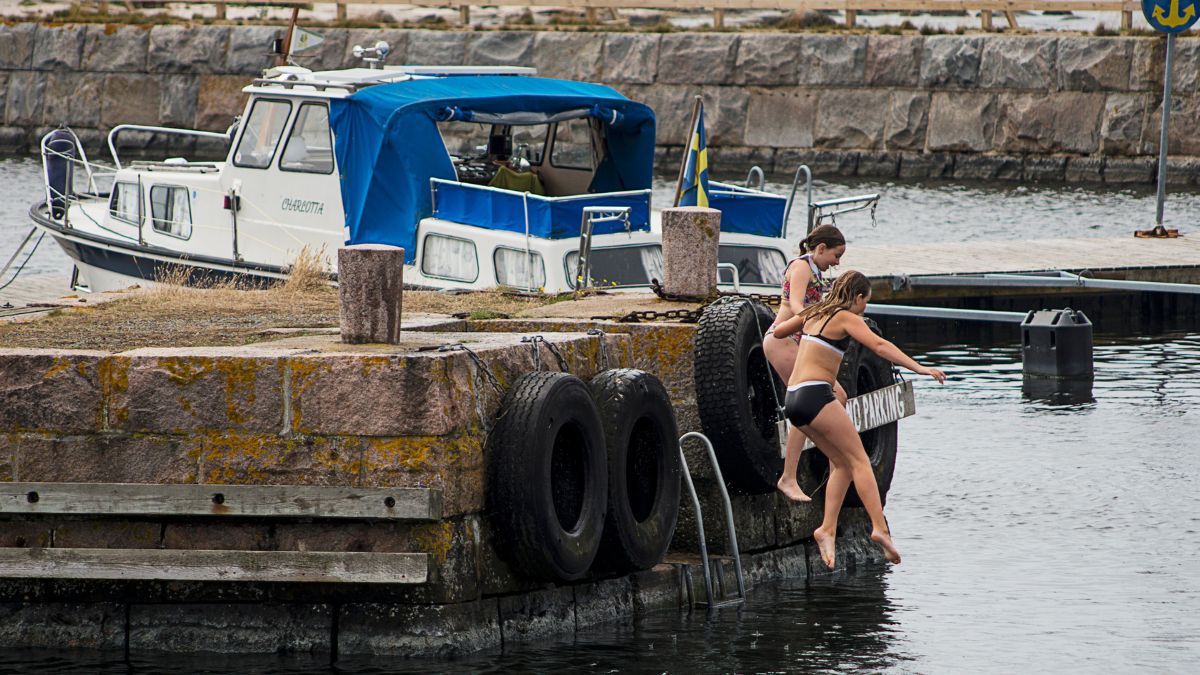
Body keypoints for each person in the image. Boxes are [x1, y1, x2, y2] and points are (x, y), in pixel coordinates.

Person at [772, 271, 946, 569]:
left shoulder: (815, 311)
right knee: (860, 461)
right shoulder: (845, 317)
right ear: (858, 297)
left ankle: (826, 530)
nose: (865, 308)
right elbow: (879, 347)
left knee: (841, 464)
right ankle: (879, 527)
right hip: (816, 395)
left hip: (793, 399)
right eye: (866, 302)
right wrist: (919, 368)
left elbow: (777, 332)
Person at [762, 224, 847, 503]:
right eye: (836, 255)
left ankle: (836, 462)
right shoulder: (801, 267)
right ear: (820, 248)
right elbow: (797, 306)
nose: (837, 262)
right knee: (805, 402)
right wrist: (818, 325)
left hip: (799, 342)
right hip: (781, 340)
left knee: (839, 396)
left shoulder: (817, 271)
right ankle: (788, 476)